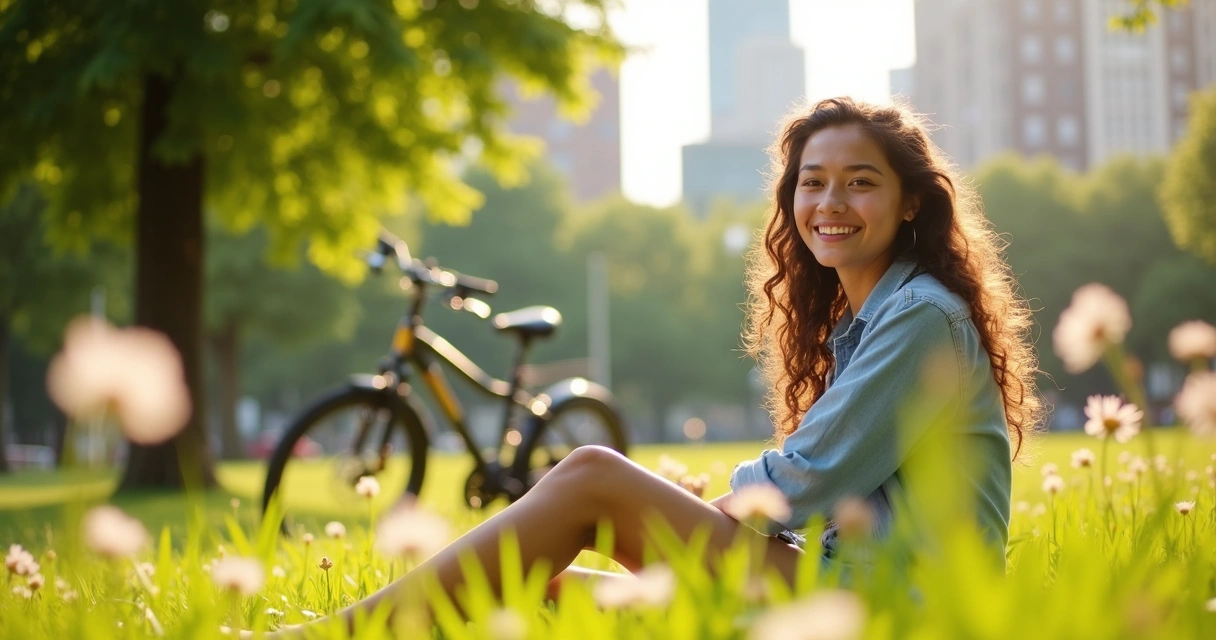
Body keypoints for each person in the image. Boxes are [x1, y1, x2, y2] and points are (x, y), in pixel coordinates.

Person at [273, 96, 1040, 634]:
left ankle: (327, 638)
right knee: (524, 580)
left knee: (593, 476)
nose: (830, 201)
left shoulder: (919, 317)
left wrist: (699, 504)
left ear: (911, 203)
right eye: (813, 182)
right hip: (842, 586)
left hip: (903, 615)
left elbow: (803, 482)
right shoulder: (869, 318)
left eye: (861, 182)